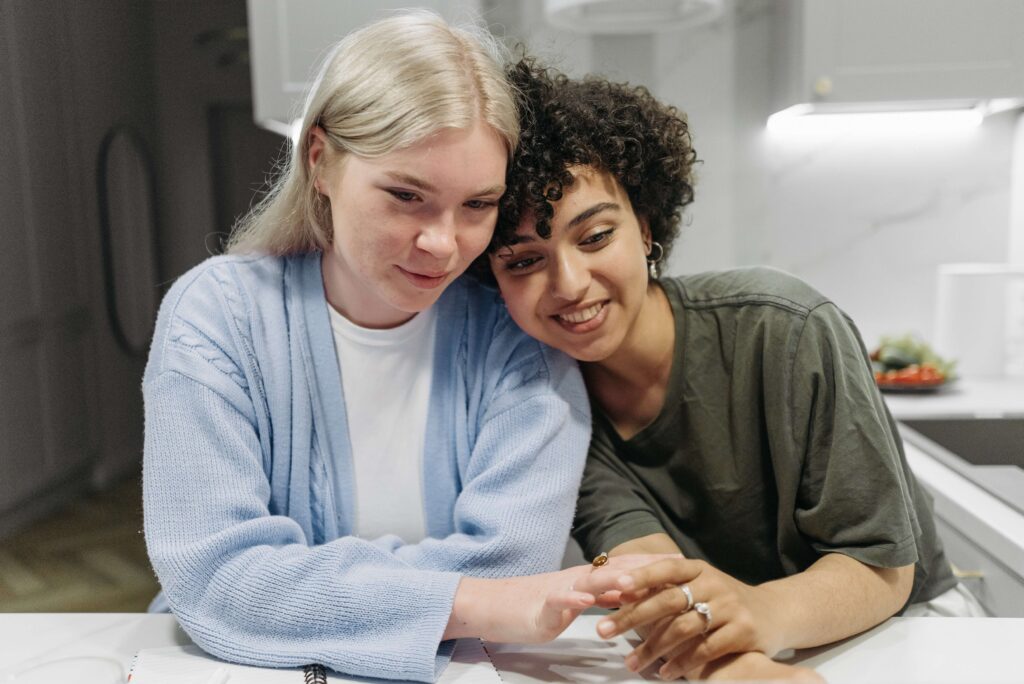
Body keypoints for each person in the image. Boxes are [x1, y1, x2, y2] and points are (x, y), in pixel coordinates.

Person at [142, 15, 634, 683]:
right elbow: (216, 577)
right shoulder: (216, 316)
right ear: (320, 162)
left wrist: (290, 590)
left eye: (477, 204)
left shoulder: (517, 332)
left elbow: (516, 566)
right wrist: (469, 601)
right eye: (407, 196)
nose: (443, 243)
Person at [486, 59, 985, 681]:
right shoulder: (550, 407)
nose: (568, 283)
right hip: (725, 654)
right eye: (524, 260)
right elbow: (653, 583)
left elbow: (882, 566)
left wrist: (760, 613)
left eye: (594, 238)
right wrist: (741, 664)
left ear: (644, 226)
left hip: (908, 632)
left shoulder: (783, 326)